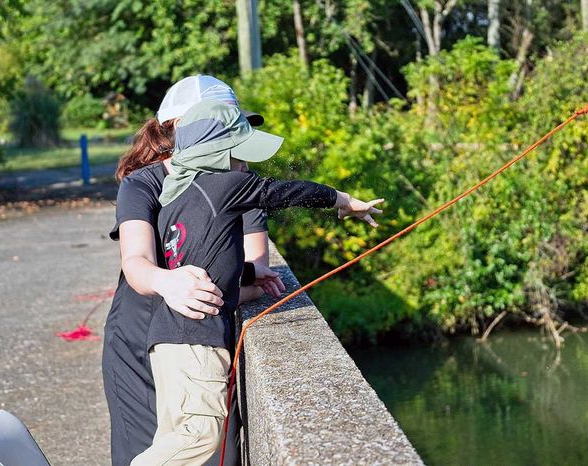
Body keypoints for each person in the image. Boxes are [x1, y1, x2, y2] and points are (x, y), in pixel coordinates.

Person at [130, 89, 383, 465]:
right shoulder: (223, 184)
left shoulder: (177, 196)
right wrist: (344, 202)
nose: (246, 165)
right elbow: (285, 192)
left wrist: (249, 272)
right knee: (201, 435)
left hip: (168, 338)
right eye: (240, 154)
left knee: (175, 435)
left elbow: (198, 255)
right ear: (217, 155)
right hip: (197, 339)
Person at [102, 76, 283, 466]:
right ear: (176, 129)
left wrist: (245, 281)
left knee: (213, 450)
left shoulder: (239, 181)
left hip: (204, 336)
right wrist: (168, 281)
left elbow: (254, 268)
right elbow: (136, 264)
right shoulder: (143, 183)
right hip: (138, 341)